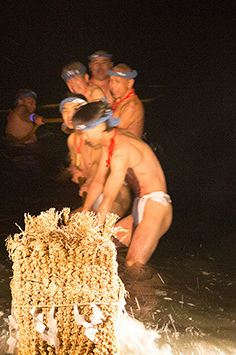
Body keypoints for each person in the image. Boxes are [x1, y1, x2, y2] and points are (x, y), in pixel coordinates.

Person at [73, 101, 172, 267]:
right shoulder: (109, 142)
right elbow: (98, 181)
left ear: (99, 127)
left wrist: (93, 234)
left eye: (85, 132)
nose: (83, 137)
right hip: (140, 205)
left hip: (156, 206)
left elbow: (108, 199)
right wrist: (85, 209)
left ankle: (159, 292)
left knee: (133, 264)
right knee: (111, 248)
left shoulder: (121, 150)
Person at [108, 64, 144, 138]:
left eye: (117, 81)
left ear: (129, 83)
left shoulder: (131, 106)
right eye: (111, 80)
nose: (112, 85)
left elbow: (114, 134)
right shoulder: (119, 99)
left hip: (129, 147)